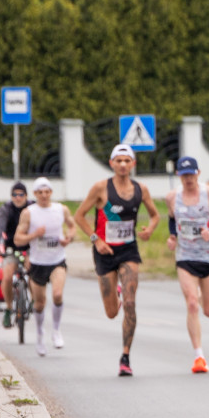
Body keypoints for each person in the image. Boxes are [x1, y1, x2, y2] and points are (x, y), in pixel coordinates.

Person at [74, 144, 161, 376]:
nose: (123, 164)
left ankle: (125, 357)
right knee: (112, 312)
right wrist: (95, 240)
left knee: (131, 303)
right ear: (112, 163)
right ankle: (117, 294)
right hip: (104, 253)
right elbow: (79, 215)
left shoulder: (141, 189)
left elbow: (155, 214)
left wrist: (150, 229)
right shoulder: (101, 188)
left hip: (128, 251)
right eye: (118, 160)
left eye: (127, 160)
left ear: (133, 164)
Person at [165, 156, 209, 374]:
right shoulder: (172, 197)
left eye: (191, 174)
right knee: (192, 303)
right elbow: (171, 220)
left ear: (198, 173)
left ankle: (199, 351)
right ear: (179, 175)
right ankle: (199, 357)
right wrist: (172, 236)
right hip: (185, 258)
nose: (188, 179)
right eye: (184, 175)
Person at [13, 178, 76, 356]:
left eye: (47, 191)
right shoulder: (28, 213)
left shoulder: (60, 209)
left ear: (51, 192)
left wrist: (68, 238)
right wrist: (34, 234)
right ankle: (40, 334)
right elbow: (18, 239)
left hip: (57, 260)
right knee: (39, 303)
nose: (44, 195)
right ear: (35, 194)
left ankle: (56, 330)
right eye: (40, 192)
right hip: (38, 263)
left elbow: (72, 227)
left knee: (57, 294)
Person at [0, 182, 33, 328]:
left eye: (21, 194)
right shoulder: (6, 209)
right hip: (12, 249)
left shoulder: (32, 208)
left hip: (31, 249)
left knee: (33, 274)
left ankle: (34, 301)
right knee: (7, 277)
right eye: (14, 195)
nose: (18, 197)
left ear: (26, 196)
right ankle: (9, 309)